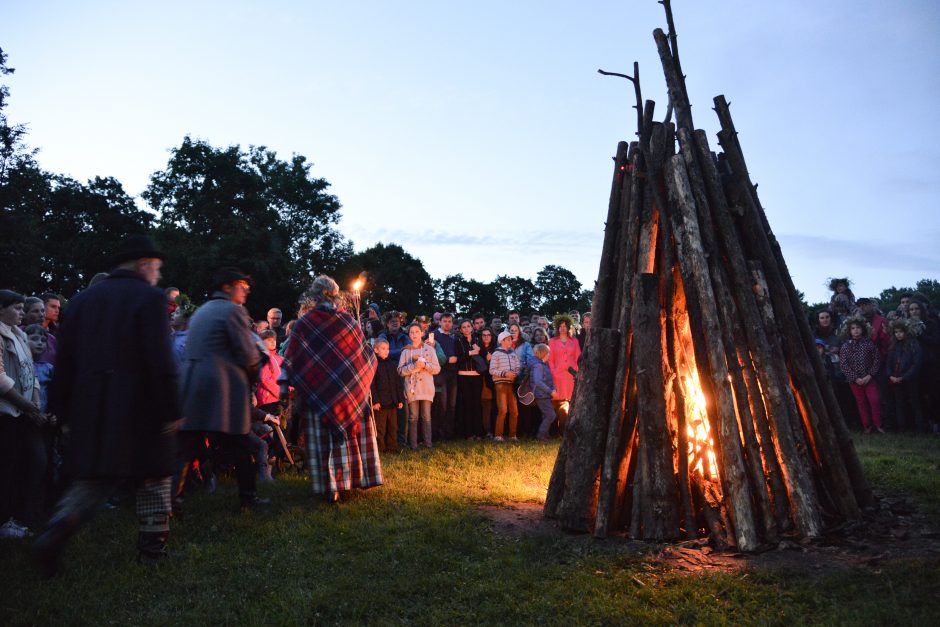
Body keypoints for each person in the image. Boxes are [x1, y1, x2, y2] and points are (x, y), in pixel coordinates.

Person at [33, 235, 180, 574]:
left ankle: (56, 532)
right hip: (141, 409)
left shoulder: (84, 301)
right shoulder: (149, 298)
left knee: (94, 480)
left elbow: (65, 361)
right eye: (157, 269)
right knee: (155, 479)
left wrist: (62, 411)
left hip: (92, 407)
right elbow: (159, 360)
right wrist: (171, 409)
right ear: (145, 265)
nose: (157, 276)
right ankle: (151, 554)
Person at [284, 275, 381, 503]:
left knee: (324, 439)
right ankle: (350, 481)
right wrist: (358, 381)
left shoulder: (305, 323)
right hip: (350, 392)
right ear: (336, 295)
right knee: (347, 437)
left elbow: (294, 358)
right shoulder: (349, 321)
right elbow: (366, 356)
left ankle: (330, 487)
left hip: (319, 393)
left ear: (314, 295)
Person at [177, 267, 267, 511]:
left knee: (187, 447)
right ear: (227, 287)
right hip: (223, 389)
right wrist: (255, 370)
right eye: (242, 285)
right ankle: (248, 497)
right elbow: (247, 354)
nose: (246, 290)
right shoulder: (233, 311)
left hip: (193, 385)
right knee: (241, 444)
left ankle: (172, 500)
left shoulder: (201, 312)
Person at [0, 290, 46, 540]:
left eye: (21, 308)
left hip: (24, 412)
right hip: (7, 412)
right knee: (7, 466)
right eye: (16, 308)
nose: (21, 312)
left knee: (28, 463)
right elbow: (2, 381)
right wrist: (28, 407)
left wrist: (34, 401)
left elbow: (30, 372)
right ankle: (4, 520)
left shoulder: (18, 334)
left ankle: (22, 514)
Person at [398, 323, 440, 449]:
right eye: (411, 332)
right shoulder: (406, 351)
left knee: (426, 416)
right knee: (413, 416)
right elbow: (400, 370)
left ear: (422, 333)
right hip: (412, 388)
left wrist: (425, 365)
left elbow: (437, 369)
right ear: (408, 334)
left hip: (426, 387)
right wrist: (413, 367)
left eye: (417, 332)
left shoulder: (429, 349)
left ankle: (428, 443)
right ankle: (413, 445)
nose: (414, 334)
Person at [839, 317, 883, 434]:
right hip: (855, 382)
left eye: (858, 328)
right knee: (861, 403)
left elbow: (876, 361)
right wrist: (855, 378)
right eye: (853, 328)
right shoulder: (845, 347)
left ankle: (878, 425)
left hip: (869, 379)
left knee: (874, 400)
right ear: (849, 331)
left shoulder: (869, 344)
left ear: (863, 329)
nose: (856, 330)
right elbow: (844, 364)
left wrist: (869, 375)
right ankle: (867, 426)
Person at [885, 319, 925, 432]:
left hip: (910, 379)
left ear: (906, 332)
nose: (898, 334)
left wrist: (904, 377)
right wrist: (890, 375)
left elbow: (916, 363)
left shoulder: (913, 344)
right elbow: (888, 362)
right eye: (896, 332)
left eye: (901, 331)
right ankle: (901, 427)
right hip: (895, 379)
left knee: (914, 402)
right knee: (899, 403)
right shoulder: (893, 346)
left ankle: (919, 427)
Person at [547, 315, 581, 433]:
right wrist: (553, 371)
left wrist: (575, 371)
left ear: (569, 328)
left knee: (568, 402)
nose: (562, 328)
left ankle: (566, 430)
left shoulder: (574, 341)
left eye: (565, 326)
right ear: (557, 328)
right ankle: (554, 431)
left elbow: (578, 357)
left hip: (570, 376)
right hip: (557, 375)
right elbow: (550, 359)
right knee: (555, 402)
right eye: (560, 326)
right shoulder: (552, 341)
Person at [370, 338, 404, 453]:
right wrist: (375, 401)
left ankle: (392, 447)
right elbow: (372, 385)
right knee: (380, 428)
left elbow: (397, 382)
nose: (386, 351)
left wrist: (400, 399)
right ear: (375, 350)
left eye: (387, 349)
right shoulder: (374, 364)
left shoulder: (391, 364)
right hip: (380, 403)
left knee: (393, 426)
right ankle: (380, 448)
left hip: (392, 401)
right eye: (383, 349)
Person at [455, 319, 484, 439]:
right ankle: (468, 433)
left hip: (477, 376)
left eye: (468, 326)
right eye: (464, 327)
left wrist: (479, 351)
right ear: (461, 330)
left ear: (472, 328)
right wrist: (471, 353)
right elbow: (459, 358)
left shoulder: (478, 340)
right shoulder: (457, 341)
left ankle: (478, 433)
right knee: (466, 405)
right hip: (463, 375)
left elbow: (483, 356)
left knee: (477, 404)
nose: (466, 329)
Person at [489, 330, 521, 441]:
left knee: (514, 411)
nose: (510, 341)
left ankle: (513, 435)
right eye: (508, 339)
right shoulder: (496, 353)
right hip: (500, 384)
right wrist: (505, 373)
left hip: (510, 384)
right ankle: (498, 435)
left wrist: (515, 374)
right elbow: (492, 370)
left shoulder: (513, 354)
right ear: (502, 341)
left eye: (511, 339)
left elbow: (518, 367)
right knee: (502, 409)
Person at [432, 313, 458, 441]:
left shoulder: (454, 338)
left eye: (449, 321)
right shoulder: (435, 336)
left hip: (453, 373)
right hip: (440, 373)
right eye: (445, 321)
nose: (447, 323)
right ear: (440, 322)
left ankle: (449, 433)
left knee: (452, 404)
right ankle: (439, 434)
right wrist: (448, 360)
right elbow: (432, 355)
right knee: (441, 403)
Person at [529, 344, 557, 441]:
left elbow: (547, 379)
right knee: (551, 415)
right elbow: (538, 381)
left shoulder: (543, 364)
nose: (549, 354)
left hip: (544, 394)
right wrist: (550, 391)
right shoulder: (538, 366)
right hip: (541, 394)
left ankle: (545, 435)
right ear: (543, 353)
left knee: (546, 415)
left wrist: (553, 388)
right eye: (548, 352)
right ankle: (541, 434)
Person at [478, 329, 497, 438]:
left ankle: (491, 430)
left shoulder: (496, 349)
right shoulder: (477, 349)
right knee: (483, 406)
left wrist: (490, 361)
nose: (486, 337)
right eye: (484, 335)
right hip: (480, 380)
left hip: (493, 381)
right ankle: (484, 430)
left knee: (493, 406)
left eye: (489, 335)